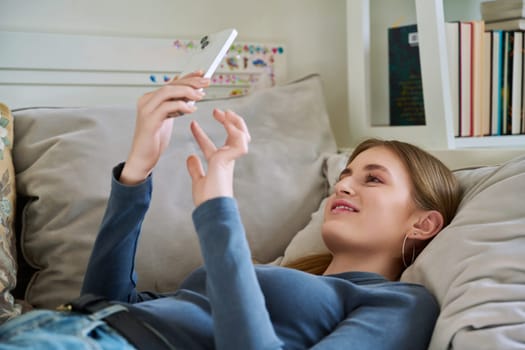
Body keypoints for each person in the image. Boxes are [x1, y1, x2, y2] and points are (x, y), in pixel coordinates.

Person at [0, 72, 461, 349]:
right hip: (58, 327)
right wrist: (136, 172)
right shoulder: (284, 271)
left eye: (372, 178)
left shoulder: (400, 304)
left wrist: (220, 212)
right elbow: (108, 301)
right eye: (347, 174)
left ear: (424, 222)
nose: (345, 184)